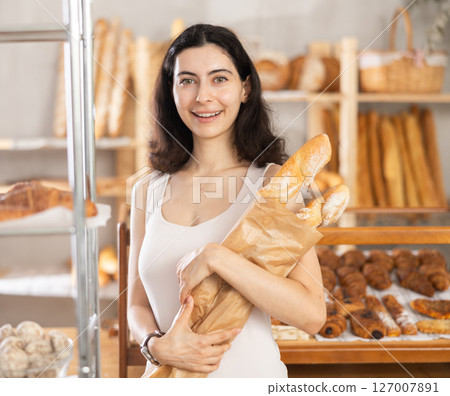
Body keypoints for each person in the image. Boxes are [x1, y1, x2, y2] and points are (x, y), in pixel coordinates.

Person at [127, 23, 326, 378]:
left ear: (245, 88)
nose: (204, 96)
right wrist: (156, 345)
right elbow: (136, 306)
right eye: (187, 80)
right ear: (171, 91)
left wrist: (217, 258)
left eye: (219, 79)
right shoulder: (146, 189)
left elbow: (311, 314)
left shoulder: (271, 184)